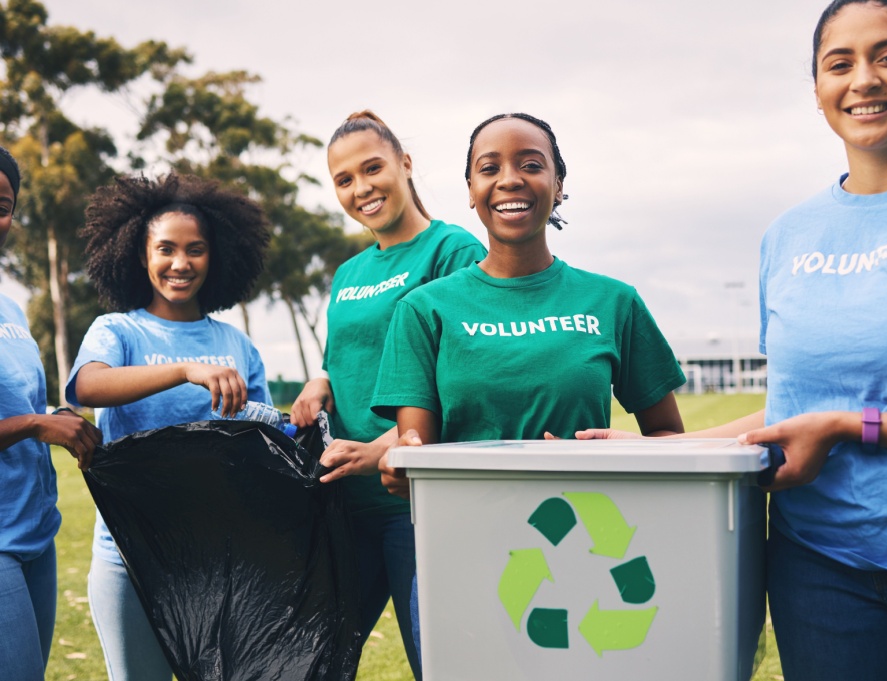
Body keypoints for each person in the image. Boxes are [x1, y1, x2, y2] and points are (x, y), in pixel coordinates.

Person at [567, 2, 887, 678]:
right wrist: (659, 450)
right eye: (841, 63)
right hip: (819, 570)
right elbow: (790, 405)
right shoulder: (789, 238)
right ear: (817, 91)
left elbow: (824, 415)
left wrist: (844, 425)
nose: (865, 79)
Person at [371, 113, 686, 492]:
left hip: (591, 535)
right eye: (489, 168)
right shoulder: (422, 310)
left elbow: (669, 436)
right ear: (471, 190)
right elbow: (415, 459)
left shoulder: (614, 301)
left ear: (557, 186)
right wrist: (402, 467)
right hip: (468, 533)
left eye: (531, 165)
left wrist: (615, 459)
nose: (510, 179)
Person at [289, 111, 486, 679]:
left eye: (372, 168)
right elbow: (343, 357)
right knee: (310, 663)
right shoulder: (349, 273)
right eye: (344, 180)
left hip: (417, 506)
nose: (361, 189)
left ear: (404, 164)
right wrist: (319, 381)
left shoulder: (452, 251)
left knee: (443, 664)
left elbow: (464, 379)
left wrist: (387, 448)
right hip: (346, 509)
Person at [65, 173, 272, 681]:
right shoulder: (117, 330)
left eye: (195, 250)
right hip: (128, 558)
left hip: (219, 560)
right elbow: (88, 387)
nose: (180, 263)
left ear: (214, 257)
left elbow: (267, 437)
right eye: (166, 249)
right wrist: (184, 370)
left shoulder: (236, 344)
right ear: (141, 254)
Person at [0, 145, 102, 681]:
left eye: (2, 202)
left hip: (35, 531)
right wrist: (38, 425)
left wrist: (53, 413)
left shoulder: (11, 307)